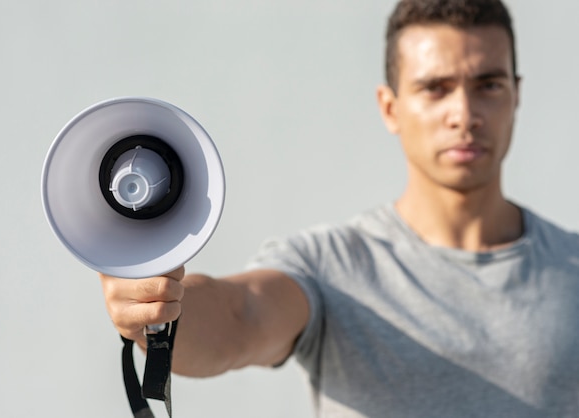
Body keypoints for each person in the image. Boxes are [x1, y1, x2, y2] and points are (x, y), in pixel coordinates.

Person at [100, 0, 579, 416]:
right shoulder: (331, 266)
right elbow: (239, 316)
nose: (465, 114)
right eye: (435, 88)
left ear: (516, 95)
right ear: (390, 107)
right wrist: (156, 307)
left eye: (488, 85)